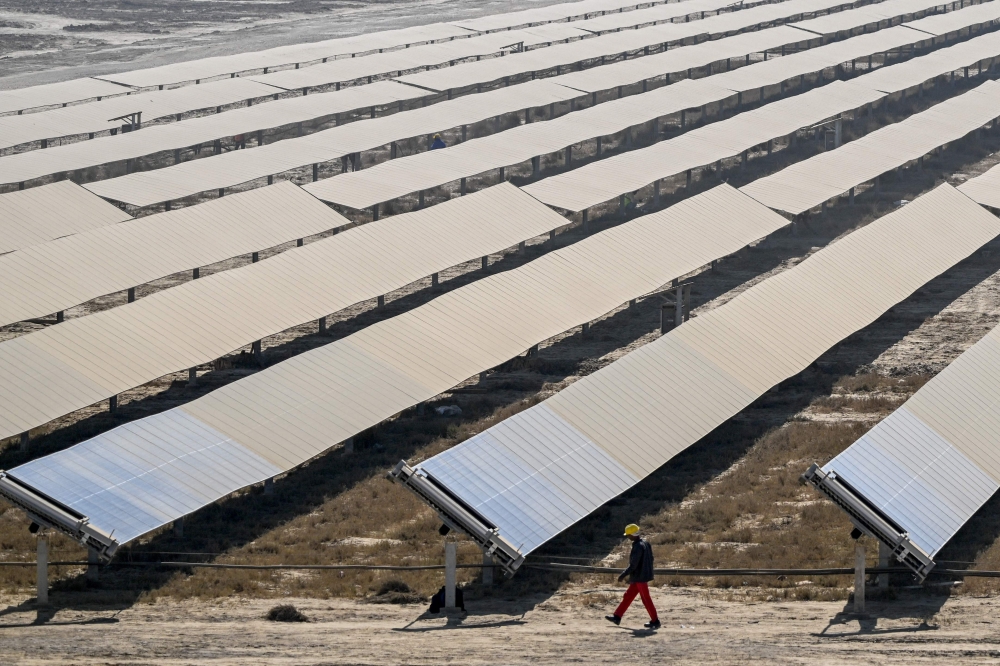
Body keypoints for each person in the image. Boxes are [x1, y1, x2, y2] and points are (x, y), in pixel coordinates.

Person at [605, 524, 660, 630]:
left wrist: (623, 574)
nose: (628, 537)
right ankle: (617, 616)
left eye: (629, 535)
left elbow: (633, 565)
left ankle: (655, 621)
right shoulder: (646, 543)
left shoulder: (638, 546)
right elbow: (651, 559)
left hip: (640, 578)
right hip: (641, 576)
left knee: (646, 599)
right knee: (628, 596)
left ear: (633, 535)